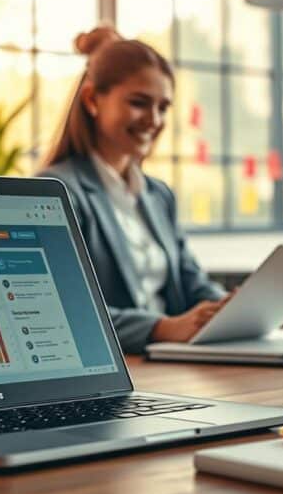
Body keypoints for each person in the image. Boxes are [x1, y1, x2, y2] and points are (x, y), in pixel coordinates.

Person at [38, 26, 230, 354]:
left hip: (176, 365)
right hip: (117, 367)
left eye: (163, 107)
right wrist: (163, 328)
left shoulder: (159, 195)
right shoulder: (57, 192)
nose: (153, 120)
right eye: (139, 103)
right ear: (91, 100)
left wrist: (234, 311)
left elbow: (190, 280)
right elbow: (64, 309)